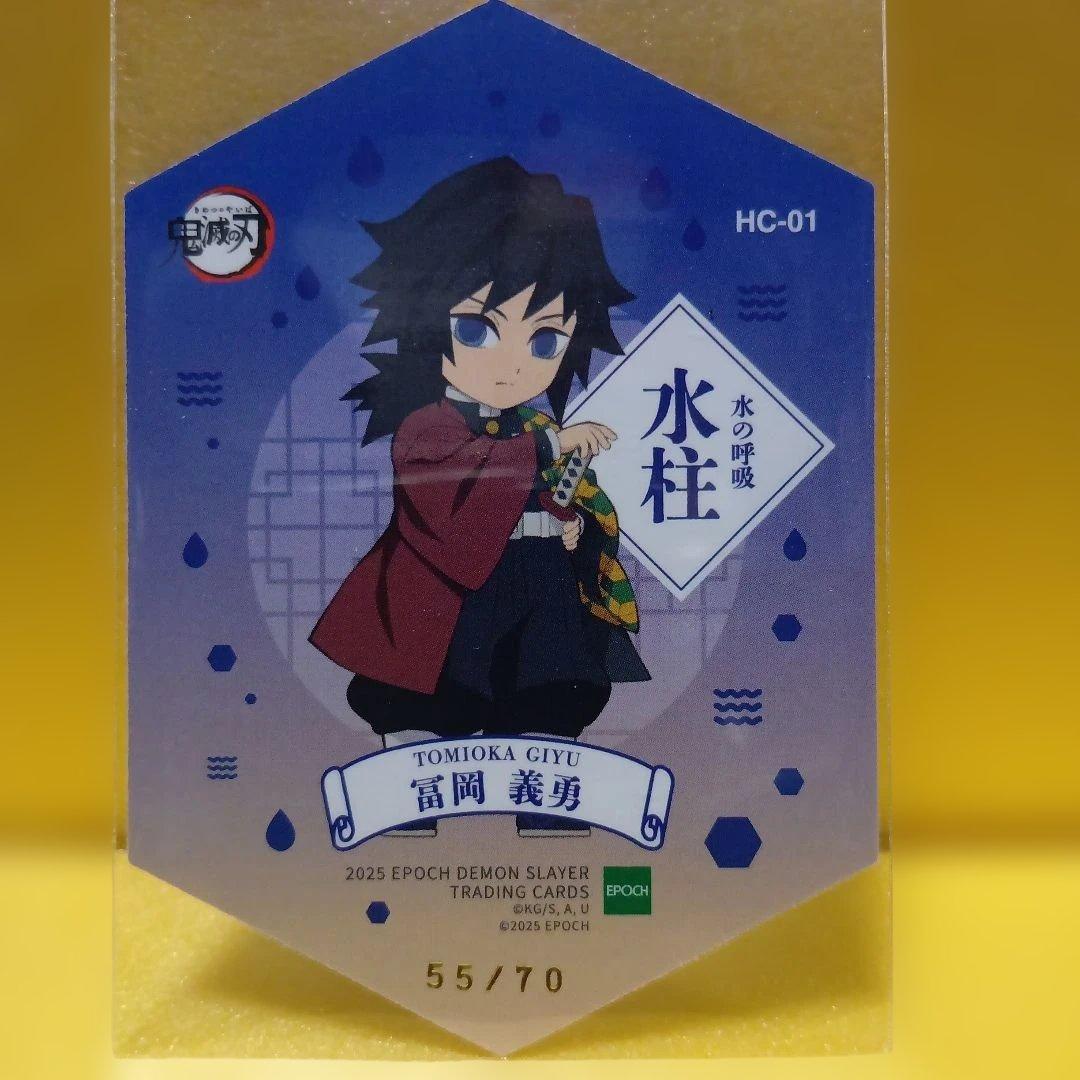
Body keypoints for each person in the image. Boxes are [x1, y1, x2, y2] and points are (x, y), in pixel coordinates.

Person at [310, 157, 648, 836]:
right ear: (427, 321)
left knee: (550, 689)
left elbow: (549, 496)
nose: (511, 362)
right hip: (450, 598)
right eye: (476, 329)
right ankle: (404, 806)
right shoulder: (427, 426)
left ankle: (551, 805)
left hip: (538, 585)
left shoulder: (536, 427)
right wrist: (547, 449)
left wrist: (572, 521)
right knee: (435, 700)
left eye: (545, 338)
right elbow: (449, 514)